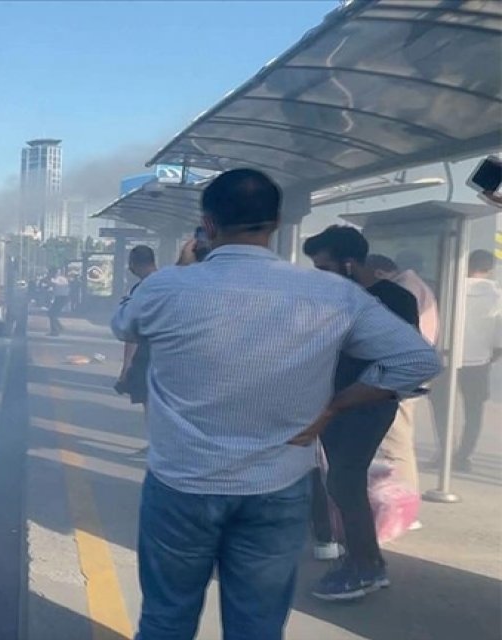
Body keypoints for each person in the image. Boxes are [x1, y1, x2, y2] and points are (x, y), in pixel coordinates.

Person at [112, 170, 438, 638]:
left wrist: (184, 267)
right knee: (258, 625)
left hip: (181, 484)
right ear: (278, 222)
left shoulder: (167, 288)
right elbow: (416, 359)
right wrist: (339, 403)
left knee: (167, 617)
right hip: (277, 486)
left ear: (207, 223)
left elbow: (124, 325)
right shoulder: (334, 294)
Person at [302, 225, 420, 600]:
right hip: (334, 404)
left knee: (344, 481)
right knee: (341, 482)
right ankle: (368, 562)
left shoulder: (393, 299)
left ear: (349, 265)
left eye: (325, 268)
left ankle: (364, 567)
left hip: (367, 404)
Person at [368, 253, 438, 496]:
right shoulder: (416, 286)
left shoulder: (403, 290)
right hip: (411, 371)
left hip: (400, 374)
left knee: (395, 443)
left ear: (379, 273)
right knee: (398, 440)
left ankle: (404, 505)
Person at [441, 249, 500, 472]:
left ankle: (444, 450)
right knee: (473, 411)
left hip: (447, 358)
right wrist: (492, 355)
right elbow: (499, 336)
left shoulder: (451, 287)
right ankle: (463, 456)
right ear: (491, 269)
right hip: (478, 362)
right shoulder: (497, 295)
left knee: (442, 407)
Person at [115, 246, 157, 459]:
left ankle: (155, 446)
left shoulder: (141, 289)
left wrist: (126, 366)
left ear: (134, 264)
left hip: (148, 352)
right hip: (170, 352)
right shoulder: (168, 283)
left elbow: (129, 331)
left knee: (149, 401)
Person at [46, 268, 69, 337]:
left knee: (51, 313)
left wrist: (49, 281)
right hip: (61, 298)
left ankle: (55, 330)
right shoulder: (62, 278)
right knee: (52, 313)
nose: (49, 274)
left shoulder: (57, 279)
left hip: (60, 298)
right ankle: (59, 327)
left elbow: (53, 284)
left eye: (50, 273)